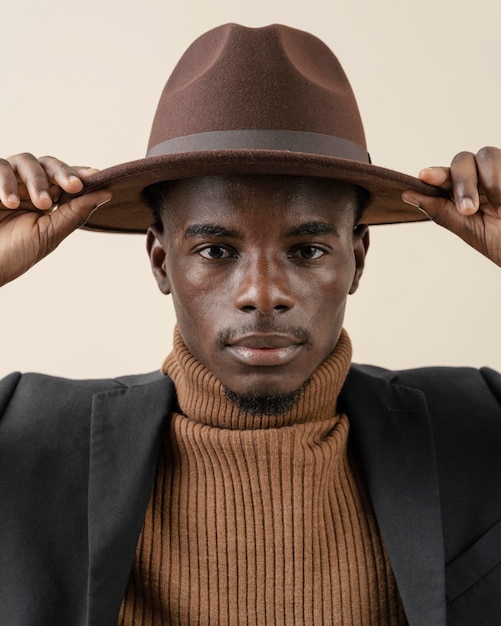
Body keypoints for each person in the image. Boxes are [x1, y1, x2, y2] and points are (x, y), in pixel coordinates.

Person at [0, 23, 500, 626]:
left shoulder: (483, 422)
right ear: (162, 261)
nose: (263, 294)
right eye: (216, 251)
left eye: (308, 249)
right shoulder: (21, 434)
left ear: (357, 259)